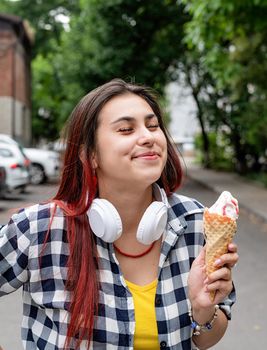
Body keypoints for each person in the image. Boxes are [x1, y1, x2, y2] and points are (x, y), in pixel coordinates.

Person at [0, 79, 238, 350]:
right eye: (126, 129)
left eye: (153, 126)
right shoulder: (39, 229)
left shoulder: (196, 222)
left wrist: (203, 308)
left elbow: (206, 338)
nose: (148, 137)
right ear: (90, 155)